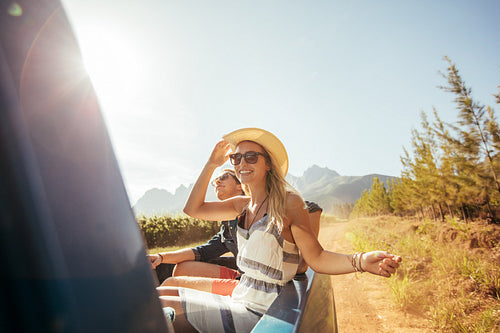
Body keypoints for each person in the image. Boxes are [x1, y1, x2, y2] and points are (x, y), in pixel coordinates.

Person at [158, 127, 402, 332]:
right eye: (237, 158)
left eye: (251, 157)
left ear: (268, 165)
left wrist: (360, 260)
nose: (242, 163)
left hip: (262, 310)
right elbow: (193, 209)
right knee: (157, 297)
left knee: (157, 308)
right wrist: (212, 164)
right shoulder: (240, 206)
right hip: (240, 295)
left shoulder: (289, 203)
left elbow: (316, 258)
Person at [149, 168, 322, 296]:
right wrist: (162, 257)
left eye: (224, 177)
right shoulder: (226, 228)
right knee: (181, 269)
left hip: (260, 287)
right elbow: (200, 251)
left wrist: (305, 258)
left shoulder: (264, 207)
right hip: (242, 277)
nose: (217, 182)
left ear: (240, 186)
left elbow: (310, 207)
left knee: (169, 287)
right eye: (215, 180)